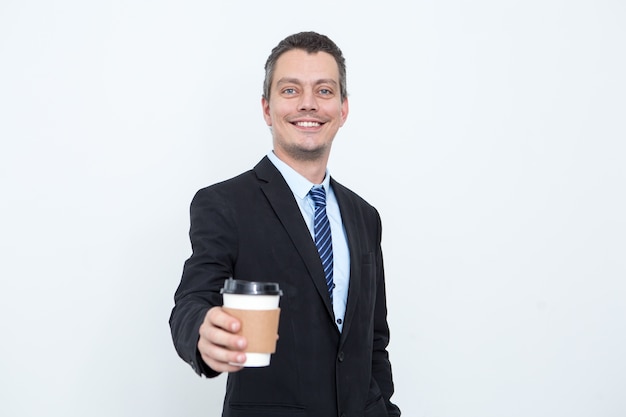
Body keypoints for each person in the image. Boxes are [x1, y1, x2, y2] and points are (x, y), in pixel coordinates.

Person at [169, 31, 401, 417]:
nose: (308, 104)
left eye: (324, 91)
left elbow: (374, 343)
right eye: (290, 90)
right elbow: (192, 301)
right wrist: (201, 330)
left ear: (343, 110)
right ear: (266, 108)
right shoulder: (224, 204)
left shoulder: (365, 216)